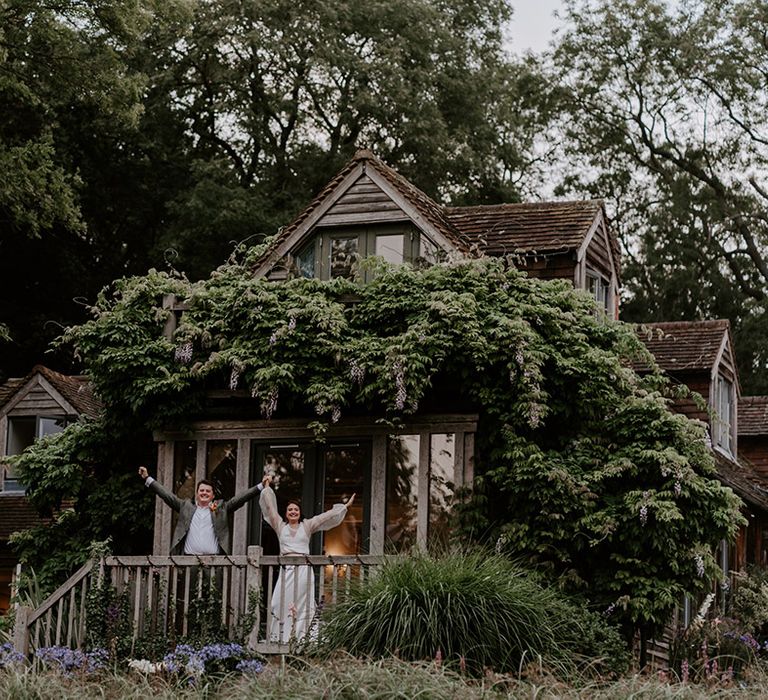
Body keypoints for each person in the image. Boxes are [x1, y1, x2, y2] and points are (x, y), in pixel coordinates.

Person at [259, 474, 355, 644]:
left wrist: (344, 507)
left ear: (299, 512)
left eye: (296, 509)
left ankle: (303, 637)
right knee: (277, 602)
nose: (293, 512)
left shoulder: (307, 525)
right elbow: (270, 508)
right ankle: (281, 637)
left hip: (303, 570)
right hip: (287, 570)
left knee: (303, 604)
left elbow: (325, 517)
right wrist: (267, 486)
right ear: (287, 514)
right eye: (290, 510)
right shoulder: (280, 525)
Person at [138, 465, 263, 555]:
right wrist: (148, 478)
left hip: (214, 562)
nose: (204, 493)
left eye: (208, 491)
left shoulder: (221, 508)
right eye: (201, 490)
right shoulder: (185, 507)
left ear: (213, 495)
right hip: (188, 561)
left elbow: (240, 499)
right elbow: (167, 495)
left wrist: (260, 486)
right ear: (197, 494)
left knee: (214, 592)